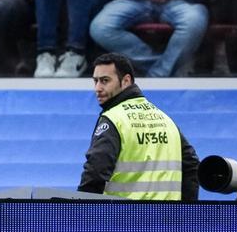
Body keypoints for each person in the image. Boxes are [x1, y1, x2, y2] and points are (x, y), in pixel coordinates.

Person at [78, 52, 199, 200]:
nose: (97, 88)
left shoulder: (114, 119)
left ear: (126, 81)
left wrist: (80, 213)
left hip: (124, 219)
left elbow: (95, 173)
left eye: (105, 81)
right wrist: (186, 212)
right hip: (168, 219)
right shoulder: (165, 119)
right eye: (95, 81)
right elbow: (192, 165)